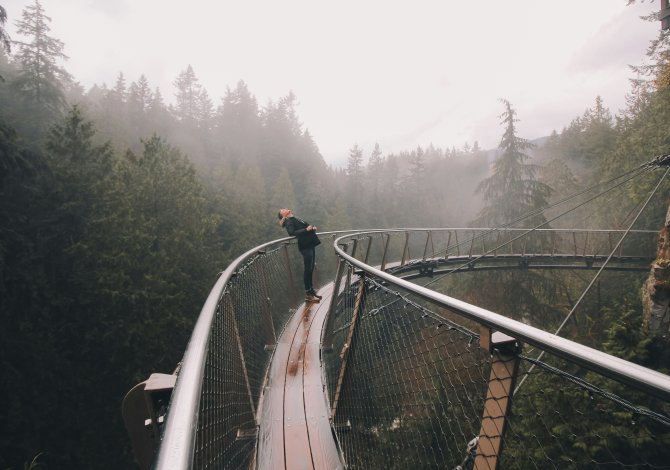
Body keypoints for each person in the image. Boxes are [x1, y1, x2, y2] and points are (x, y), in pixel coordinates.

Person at [278, 208, 323, 303]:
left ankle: (311, 291)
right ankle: (308, 294)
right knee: (308, 269)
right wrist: (306, 229)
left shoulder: (295, 218)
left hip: (309, 244)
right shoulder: (288, 221)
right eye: (283, 210)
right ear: (284, 215)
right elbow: (291, 233)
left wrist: (312, 228)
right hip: (305, 246)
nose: (285, 209)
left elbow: (305, 227)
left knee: (310, 268)